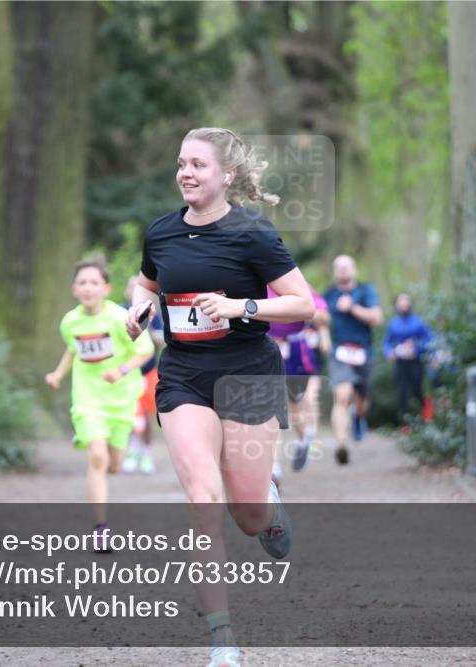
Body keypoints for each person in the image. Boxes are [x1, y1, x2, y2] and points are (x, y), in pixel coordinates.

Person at [125, 127, 313, 667]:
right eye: (181, 163)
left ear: (226, 175)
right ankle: (223, 640)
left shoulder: (252, 233)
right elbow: (146, 284)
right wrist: (137, 310)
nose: (185, 173)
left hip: (249, 374)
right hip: (184, 376)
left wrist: (241, 308)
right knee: (203, 502)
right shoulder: (161, 233)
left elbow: (303, 305)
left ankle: (268, 501)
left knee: (248, 518)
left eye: (198, 165)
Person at [45, 259, 154, 550]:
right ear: (74, 289)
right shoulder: (70, 321)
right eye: (82, 282)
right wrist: (58, 373)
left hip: (121, 400)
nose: (87, 288)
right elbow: (73, 348)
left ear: (106, 288)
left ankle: (114, 460)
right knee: (97, 456)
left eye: (94, 282)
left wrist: (119, 371)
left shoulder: (120, 318)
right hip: (87, 398)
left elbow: (145, 351)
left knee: (114, 465)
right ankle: (101, 528)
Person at [324, 255, 383, 465]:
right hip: (340, 352)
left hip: (364, 352)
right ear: (334, 271)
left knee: (362, 402)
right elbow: (320, 319)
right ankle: (342, 443)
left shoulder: (366, 291)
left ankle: (358, 417)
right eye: (338, 267)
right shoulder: (329, 294)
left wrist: (352, 308)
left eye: (346, 266)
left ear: (354, 269)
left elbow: (377, 318)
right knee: (341, 395)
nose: (342, 270)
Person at [266, 283, 330, 475]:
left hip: (295, 354)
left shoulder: (292, 281)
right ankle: (274, 470)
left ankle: (306, 438)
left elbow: (323, 316)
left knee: (296, 408)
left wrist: (293, 310)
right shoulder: (250, 281)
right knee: (272, 410)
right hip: (265, 350)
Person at [121, 275, 165, 474]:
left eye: (136, 287)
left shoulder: (151, 313)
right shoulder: (119, 312)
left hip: (148, 370)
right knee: (129, 415)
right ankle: (132, 450)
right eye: (130, 288)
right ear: (126, 291)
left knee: (147, 416)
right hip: (125, 372)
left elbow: (162, 340)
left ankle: (146, 453)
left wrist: (154, 337)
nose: (133, 291)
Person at [383, 292, 433, 424]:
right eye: (401, 302)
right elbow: (387, 342)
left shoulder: (418, 322)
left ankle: (426, 414)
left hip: (415, 361)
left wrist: (417, 348)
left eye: (406, 301)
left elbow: (429, 340)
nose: (403, 304)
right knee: (401, 392)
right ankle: (405, 424)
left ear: (410, 304)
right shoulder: (393, 323)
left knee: (417, 390)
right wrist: (389, 352)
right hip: (400, 362)